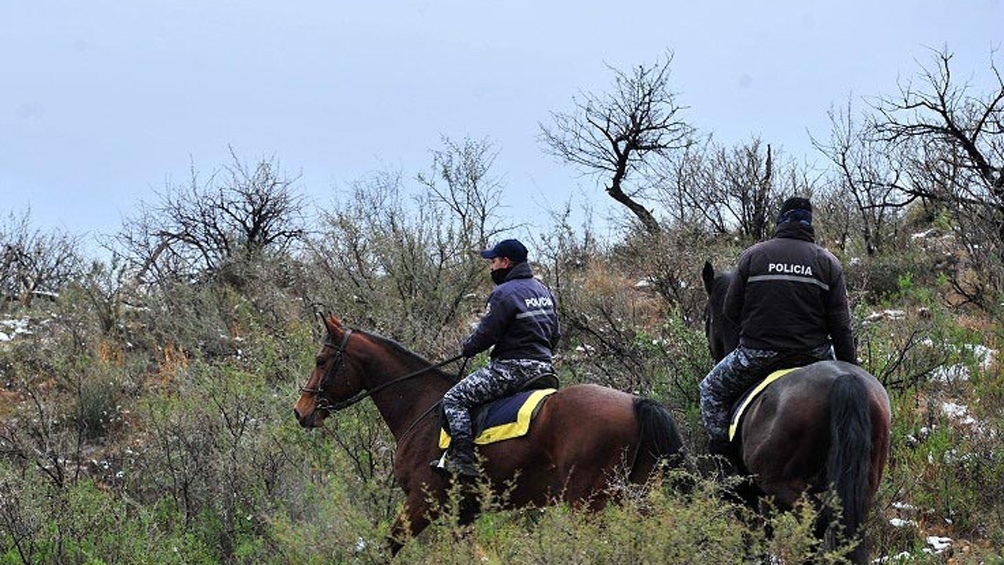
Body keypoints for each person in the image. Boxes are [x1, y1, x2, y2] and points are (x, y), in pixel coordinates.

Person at [699, 196, 857, 475]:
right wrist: (849, 368)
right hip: (814, 356)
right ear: (809, 223)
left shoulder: (753, 255)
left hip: (759, 354)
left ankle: (726, 466)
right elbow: (841, 326)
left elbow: (730, 312)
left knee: (711, 389)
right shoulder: (827, 262)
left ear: (780, 221)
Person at [433, 238, 561, 477]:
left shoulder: (504, 293)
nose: (490, 267)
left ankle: (462, 459)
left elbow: (486, 334)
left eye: (492, 261)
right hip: (545, 370)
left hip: (511, 370)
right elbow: (555, 335)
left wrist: (468, 348)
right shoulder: (543, 290)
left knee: (453, 399)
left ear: (505, 262)